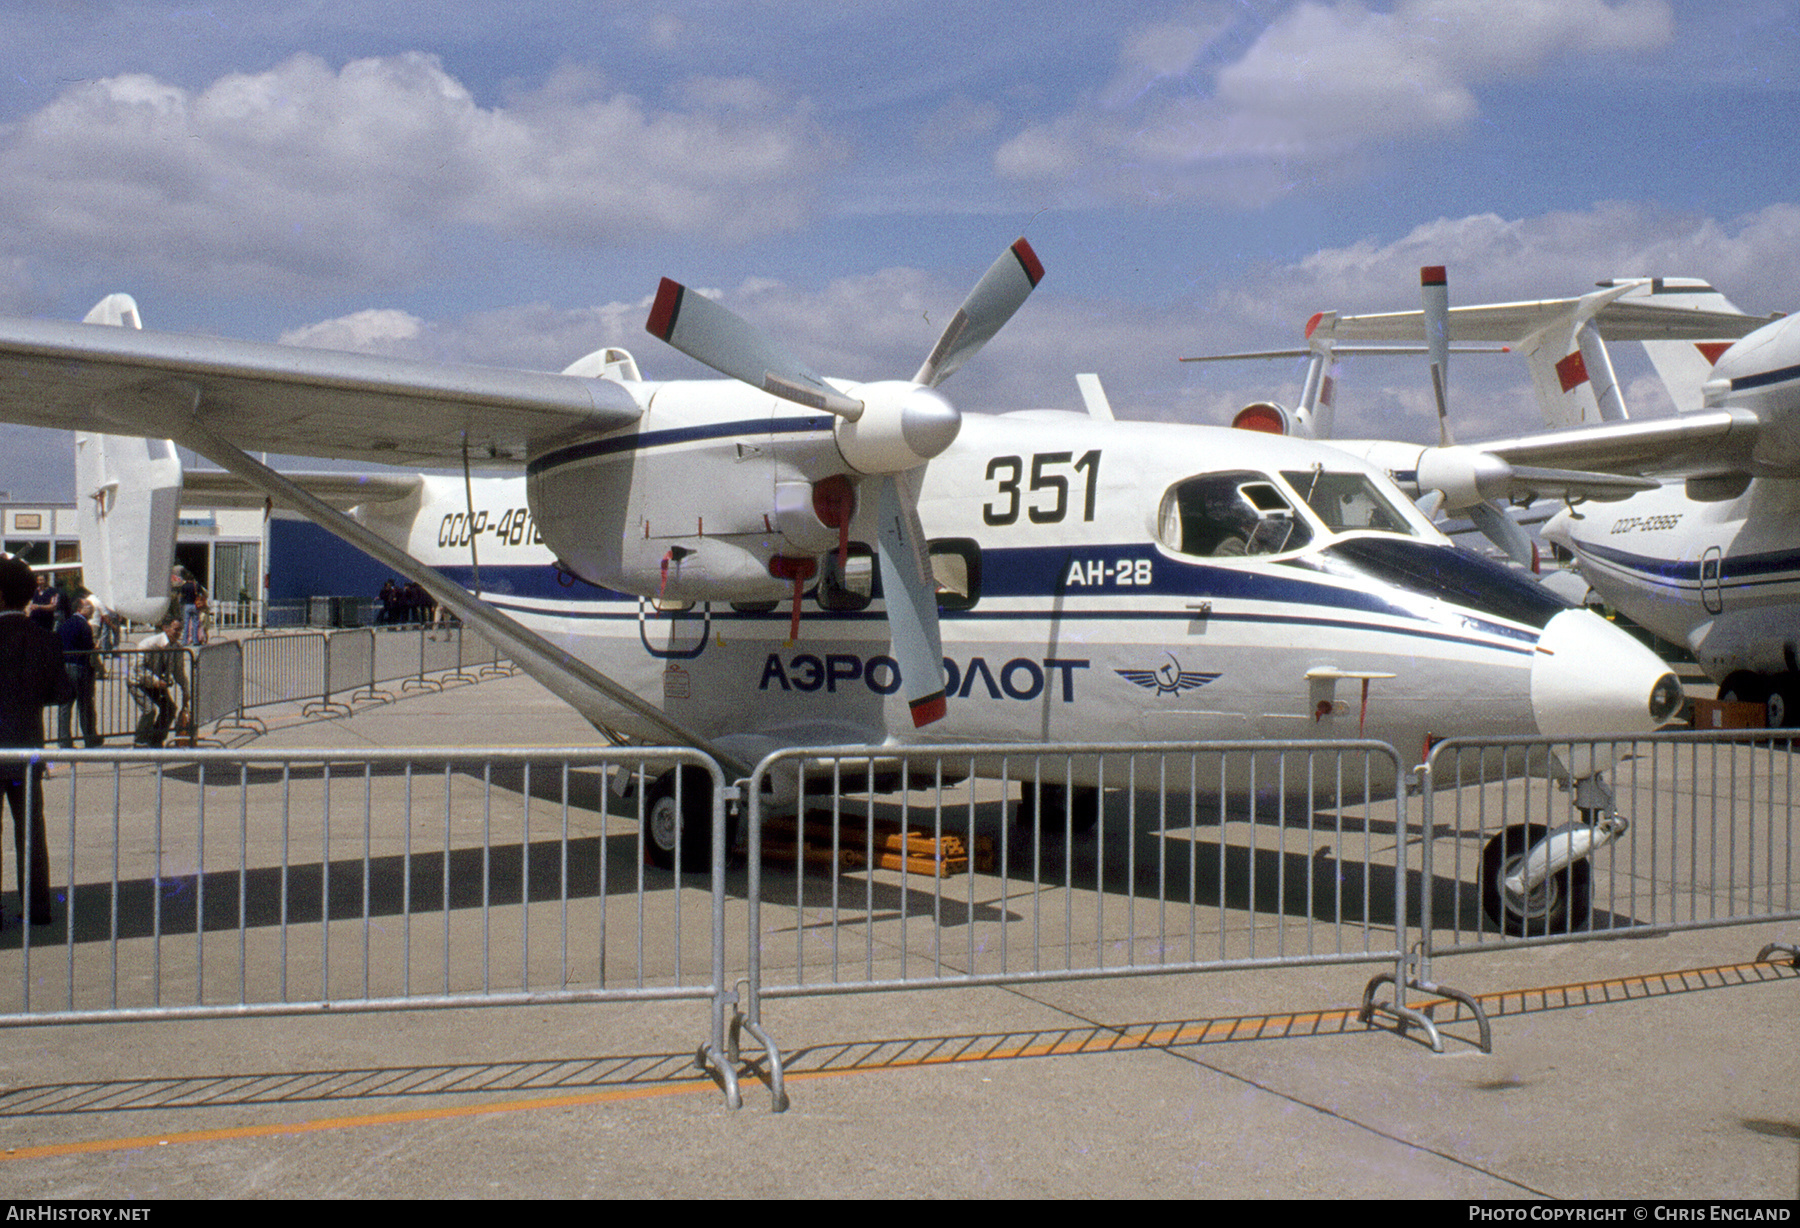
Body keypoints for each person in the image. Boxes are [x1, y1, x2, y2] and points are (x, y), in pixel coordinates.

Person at [0, 555, 71, 925]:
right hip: (27, 750)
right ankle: (37, 907)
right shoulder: (46, 640)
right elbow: (62, 693)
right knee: (31, 834)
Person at [130, 615, 185, 749]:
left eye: (180, 630)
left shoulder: (177, 647)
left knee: (170, 709)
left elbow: (179, 672)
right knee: (149, 710)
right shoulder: (149, 644)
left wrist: (186, 690)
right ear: (165, 628)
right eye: (176, 629)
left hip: (157, 683)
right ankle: (140, 740)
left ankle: (156, 738)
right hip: (138, 682)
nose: (178, 633)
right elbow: (138, 667)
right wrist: (155, 680)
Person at [57, 597, 101, 749]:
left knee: (65, 706)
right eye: (88, 606)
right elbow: (87, 648)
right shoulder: (84, 626)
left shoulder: (64, 624)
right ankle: (90, 738)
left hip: (65, 667)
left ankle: (64, 740)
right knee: (85, 705)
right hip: (80, 668)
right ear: (79, 609)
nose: (92, 609)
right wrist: (95, 648)